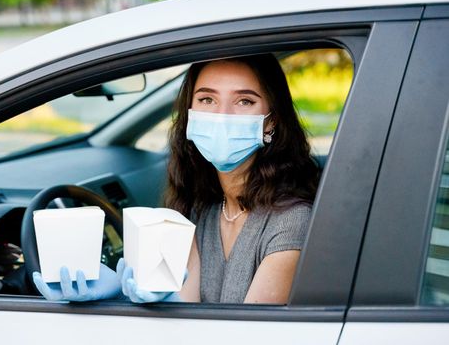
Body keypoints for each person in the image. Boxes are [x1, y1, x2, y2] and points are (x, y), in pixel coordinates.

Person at [33, 53, 319, 304]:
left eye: (244, 101)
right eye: (207, 99)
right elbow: (186, 310)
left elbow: (247, 334)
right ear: (191, 115)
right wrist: (120, 295)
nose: (221, 116)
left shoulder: (293, 221)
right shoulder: (199, 208)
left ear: (271, 121)